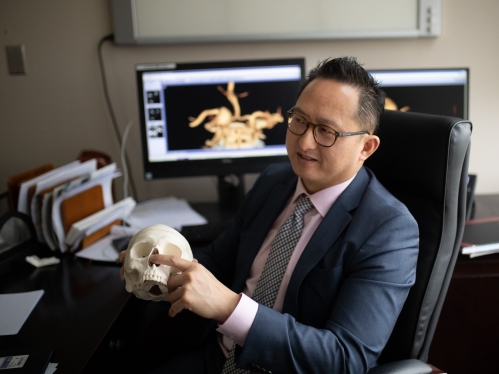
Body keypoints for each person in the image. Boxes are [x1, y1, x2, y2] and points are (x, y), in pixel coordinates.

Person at [119, 56, 419, 374]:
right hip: (216, 357)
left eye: (326, 131)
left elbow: (345, 360)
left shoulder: (389, 229)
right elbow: (217, 262)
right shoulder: (274, 181)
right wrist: (161, 267)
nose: (304, 142)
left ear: (366, 148)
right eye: (299, 121)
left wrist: (229, 308)